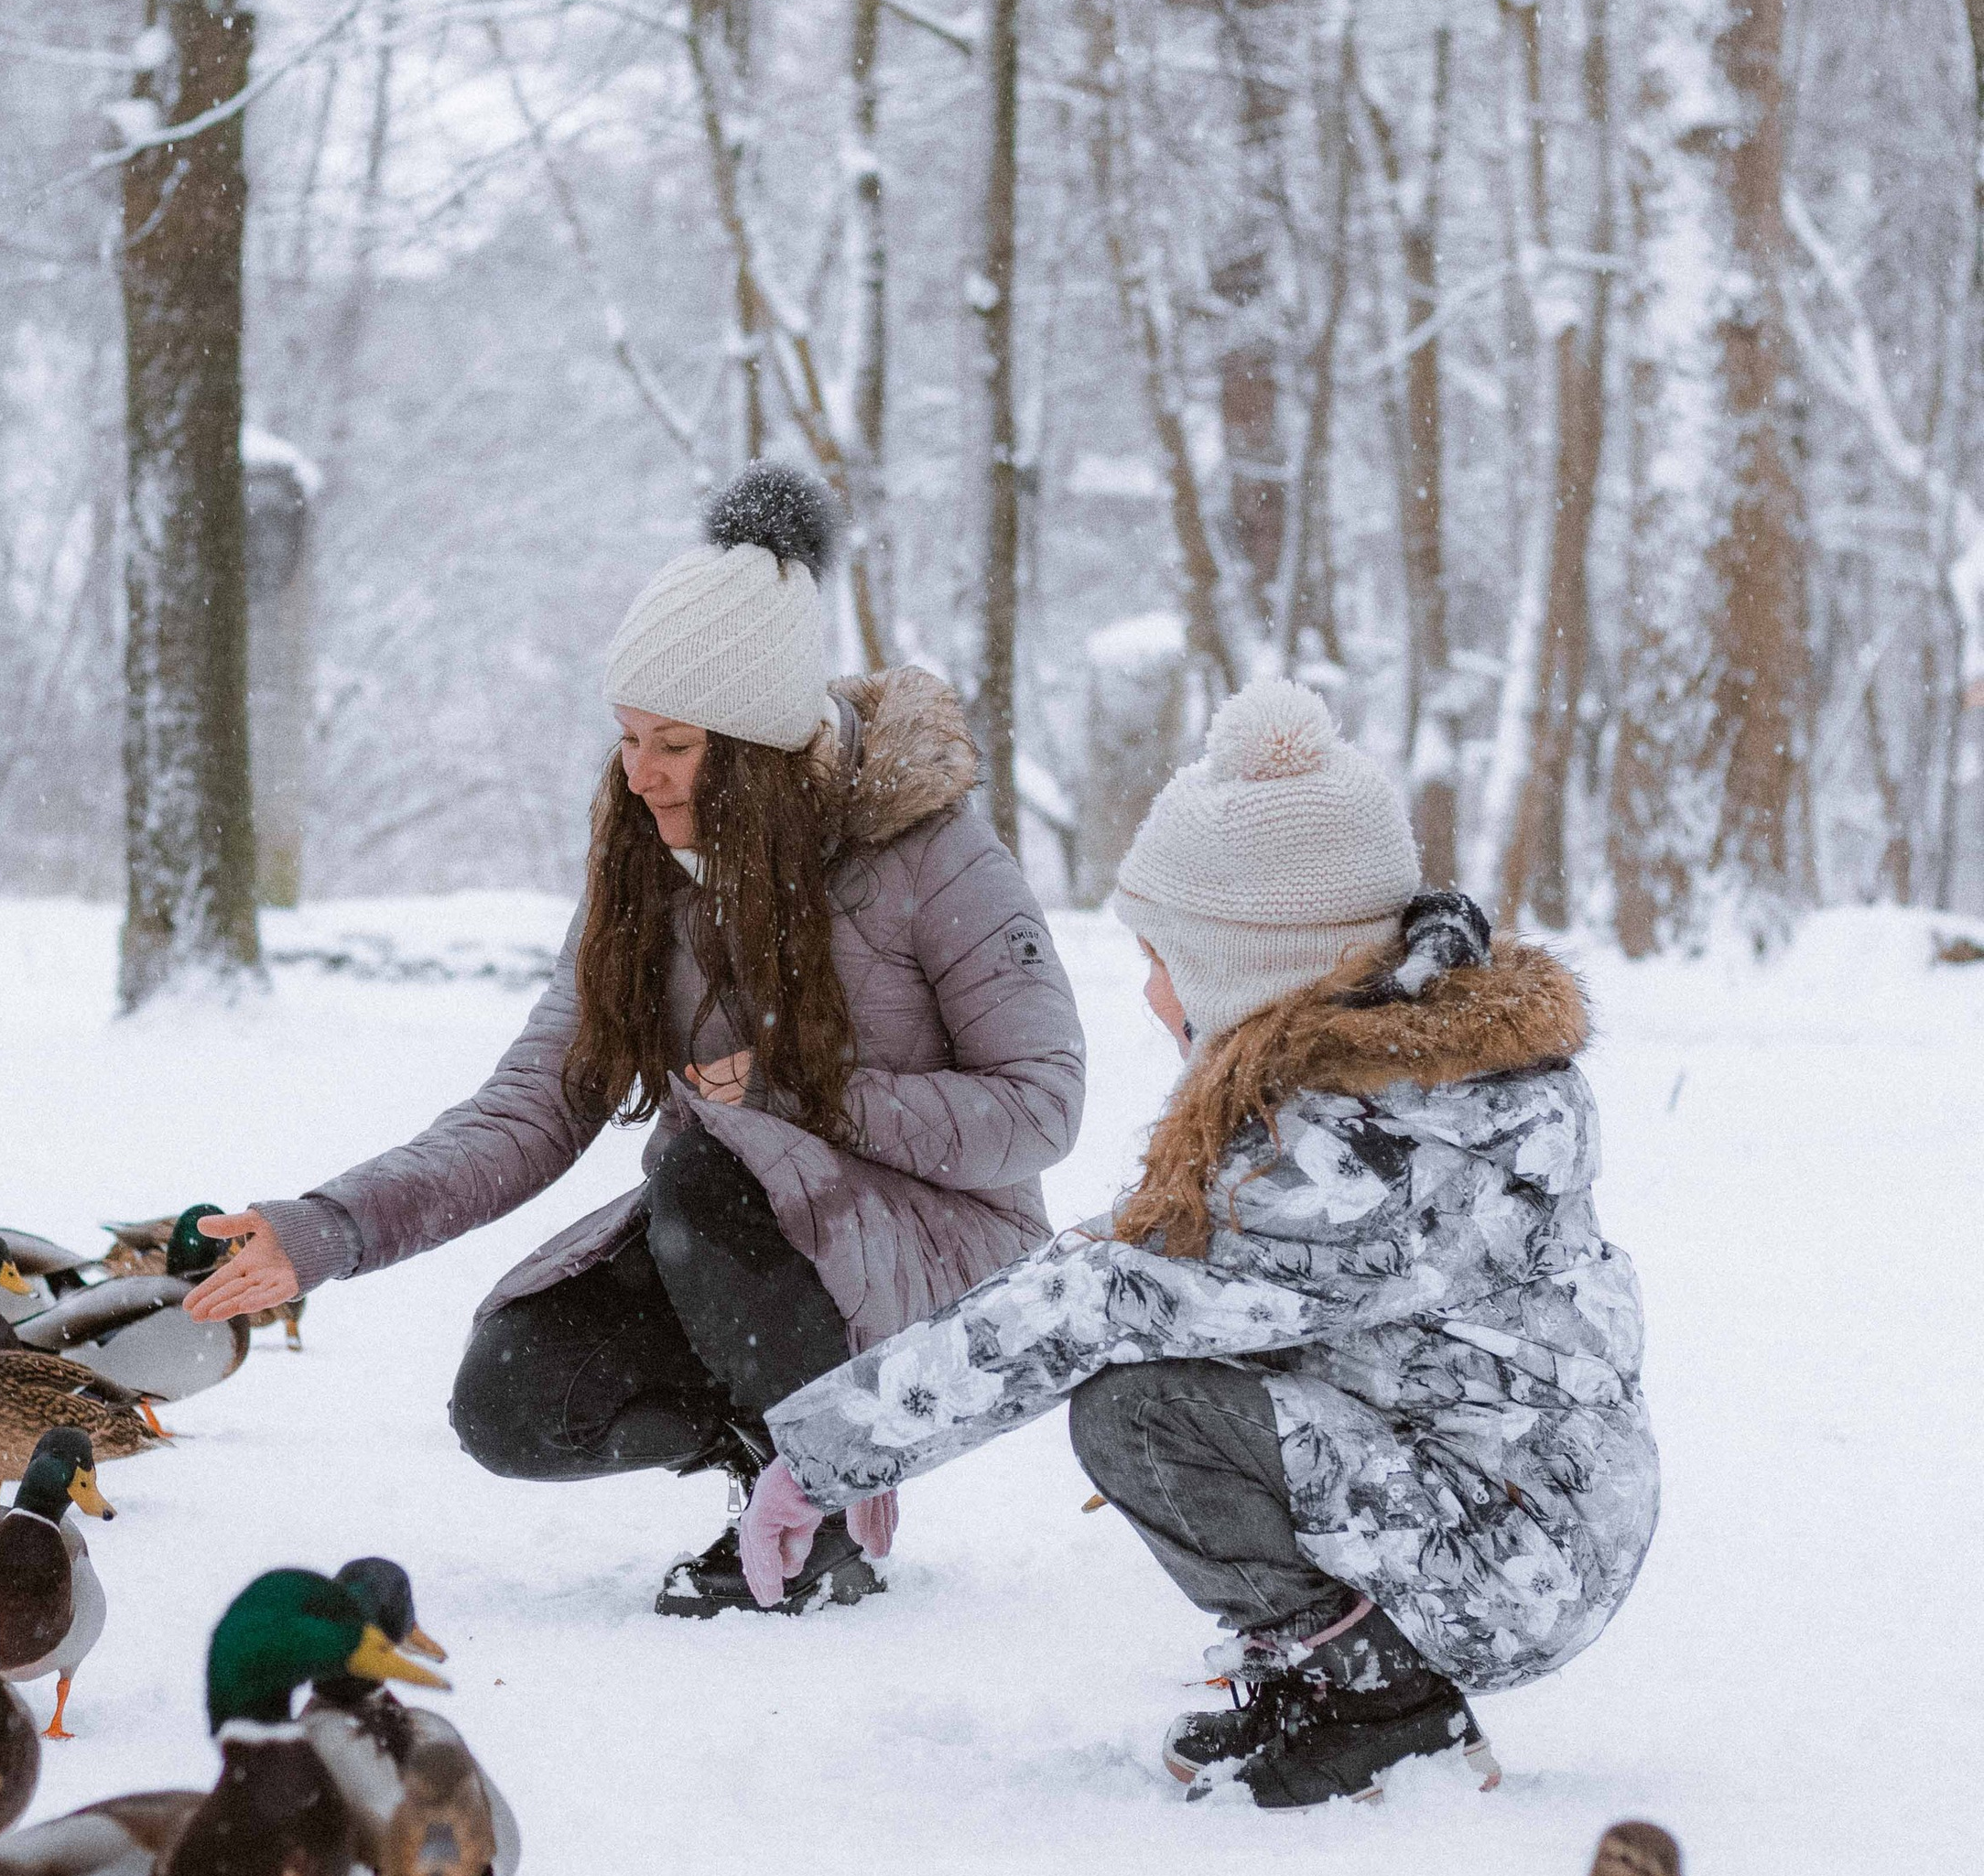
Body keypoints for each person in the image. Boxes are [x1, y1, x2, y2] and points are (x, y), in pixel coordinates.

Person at [742, 674, 1659, 1807]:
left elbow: (1089, 1299)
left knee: (1141, 1411)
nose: (1146, 989)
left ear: (1249, 967)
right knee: (1174, 1375)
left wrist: (819, 1461)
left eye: (1163, 955)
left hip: (1508, 1554)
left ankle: (1383, 1701)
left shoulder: (1345, 1163)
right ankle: (1338, 1669)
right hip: (1524, 1498)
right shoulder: (1421, 1084)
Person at [188, 464, 1086, 1616]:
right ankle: (781, 1456)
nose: (638, 773)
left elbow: (1040, 1109)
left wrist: (799, 1097)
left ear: (757, 747)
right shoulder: (647, 868)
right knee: (518, 1397)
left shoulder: (931, 854)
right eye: (626, 737)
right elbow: (533, 1106)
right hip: (756, 1238)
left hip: (948, 1258)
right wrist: (332, 1228)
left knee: (702, 1161)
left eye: (673, 743)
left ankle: (820, 1504)